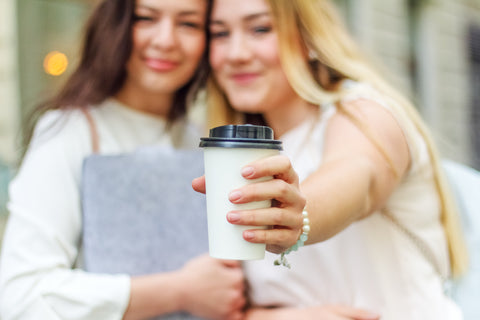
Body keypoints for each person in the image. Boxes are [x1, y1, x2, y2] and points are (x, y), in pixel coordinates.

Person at [193, 0, 469, 318]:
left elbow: (355, 175)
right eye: (220, 34)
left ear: (310, 38)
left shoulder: (364, 113)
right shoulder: (231, 155)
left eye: (260, 29)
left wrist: (298, 215)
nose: (236, 53)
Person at [0, 0, 274, 319]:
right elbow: (20, 298)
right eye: (146, 18)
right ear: (114, 24)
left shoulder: (203, 142)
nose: (165, 40)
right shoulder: (70, 133)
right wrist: (179, 291)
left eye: (188, 24)